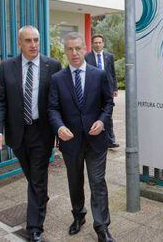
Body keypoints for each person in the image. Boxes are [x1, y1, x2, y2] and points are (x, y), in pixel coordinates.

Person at [0, 25, 61, 242]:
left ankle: (34, 227)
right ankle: (41, 198)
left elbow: (59, 100)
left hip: (42, 131)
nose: (33, 45)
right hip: (17, 132)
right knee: (32, 176)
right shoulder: (7, 67)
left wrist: (61, 128)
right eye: (28, 41)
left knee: (37, 177)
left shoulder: (52, 65)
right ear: (19, 43)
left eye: (36, 40)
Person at [48, 32, 114, 242]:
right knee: (74, 182)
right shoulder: (57, 79)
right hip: (71, 142)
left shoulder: (99, 75)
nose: (74, 53)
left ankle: (102, 226)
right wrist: (59, 127)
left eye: (78, 48)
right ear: (65, 51)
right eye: (70, 49)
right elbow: (52, 109)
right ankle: (79, 216)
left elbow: (108, 103)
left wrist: (102, 121)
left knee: (97, 183)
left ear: (85, 49)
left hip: (96, 141)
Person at [84, 34, 119, 149]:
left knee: (108, 114)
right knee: (94, 113)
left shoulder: (109, 56)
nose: (98, 44)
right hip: (92, 89)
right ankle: (94, 138)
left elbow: (112, 73)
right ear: (92, 44)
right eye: (95, 42)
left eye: (100, 42)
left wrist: (114, 88)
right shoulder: (87, 57)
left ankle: (111, 140)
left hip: (107, 89)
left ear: (103, 43)